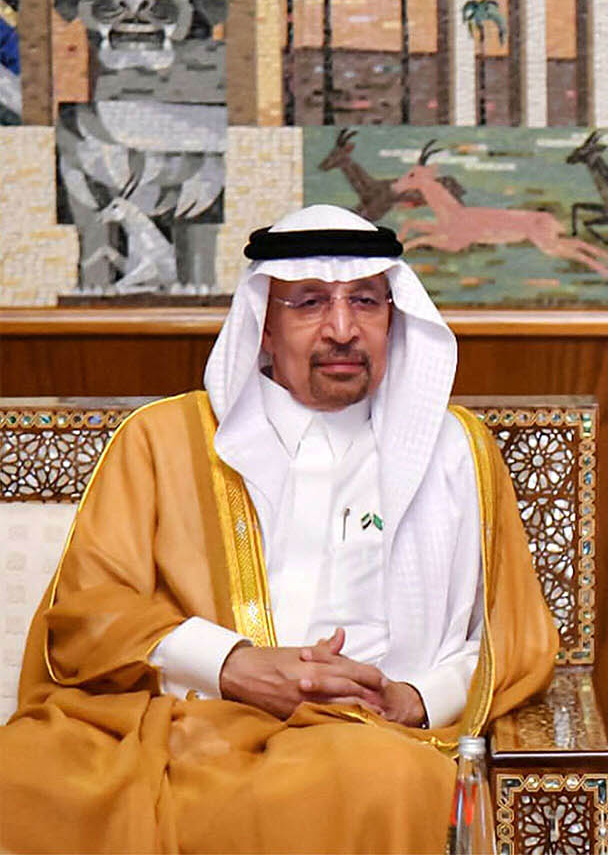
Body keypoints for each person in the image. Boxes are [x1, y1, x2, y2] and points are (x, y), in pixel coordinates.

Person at [0, 205, 559, 852]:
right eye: (310, 303)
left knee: (381, 780)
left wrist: (414, 697)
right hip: (188, 721)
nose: (342, 330)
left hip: (361, 735)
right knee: (21, 773)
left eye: (366, 302)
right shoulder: (163, 439)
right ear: (263, 325)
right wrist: (232, 664)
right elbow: (90, 611)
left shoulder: (458, 452)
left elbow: (511, 636)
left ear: (394, 317)